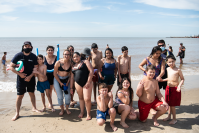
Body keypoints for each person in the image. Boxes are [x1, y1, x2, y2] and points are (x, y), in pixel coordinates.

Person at [9, 41, 40, 121]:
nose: (27, 47)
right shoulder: (18, 55)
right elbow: (11, 67)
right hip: (20, 79)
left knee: (32, 94)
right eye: (25, 46)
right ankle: (17, 113)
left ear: (31, 48)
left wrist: (30, 76)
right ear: (23, 47)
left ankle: (34, 108)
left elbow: (36, 68)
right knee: (19, 96)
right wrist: (20, 74)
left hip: (31, 78)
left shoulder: (33, 56)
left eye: (28, 46)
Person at [161, 55, 184, 124]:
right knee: (168, 103)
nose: (171, 63)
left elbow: (182, 79)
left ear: (175, 61)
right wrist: (162, 80)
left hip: (175, 88)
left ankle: (174, 119)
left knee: (172, 105)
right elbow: (169, 78)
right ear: (167, 63)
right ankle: (169, 116)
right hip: (168, 88)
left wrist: (179, 86)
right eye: (169, 62)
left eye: (172, 61)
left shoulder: (178, 70)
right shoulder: (168, 69)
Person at [71, 52, 93, 120]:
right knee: (81, 98)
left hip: (87, 82)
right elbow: (72, 78)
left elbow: (91, 71)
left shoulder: (85, 61)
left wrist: (88, 82)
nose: (75, 58)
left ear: (80, 56)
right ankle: (82, 112)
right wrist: (71, 88)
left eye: (77, 56)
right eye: (74, 57)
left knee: (87, 99)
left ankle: (88, 114)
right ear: (72, 58)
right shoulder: (73, 66)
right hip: (77, 83)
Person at [54, 50, 72, 115]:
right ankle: (62, 110)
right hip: (58, 79)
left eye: (68, 54)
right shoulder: (58, 62)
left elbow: (71, 74)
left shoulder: (71, 63)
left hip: (66, 79)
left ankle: (67, 109)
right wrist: (60, 82)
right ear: (63, 55)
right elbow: (55, 73)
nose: (66, 56)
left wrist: (68, 81)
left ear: (70, 55)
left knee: (67, 96)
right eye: (65, 54)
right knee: (60, 96)